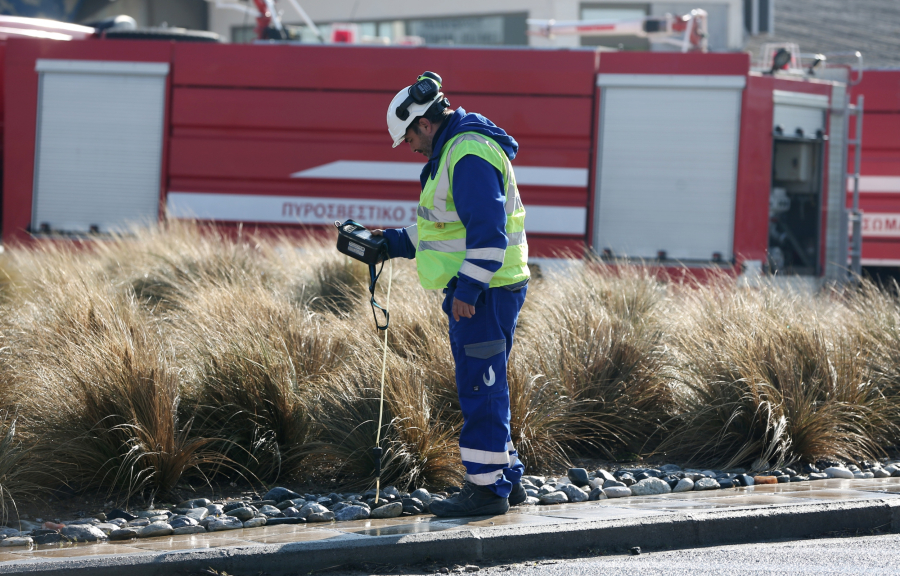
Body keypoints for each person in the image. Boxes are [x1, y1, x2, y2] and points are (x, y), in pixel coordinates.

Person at [372, 72, 530, 517]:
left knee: (481, 389)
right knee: (488, 383)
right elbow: (444, 229)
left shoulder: (466, 154)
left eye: (408, 139)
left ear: (423, 123)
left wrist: (469, 287)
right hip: (490, 288)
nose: (411, 149)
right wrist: (390, 242)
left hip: (484, 292)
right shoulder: (460, 149)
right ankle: (506, 479)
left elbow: (489, 233)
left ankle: (485, 492)